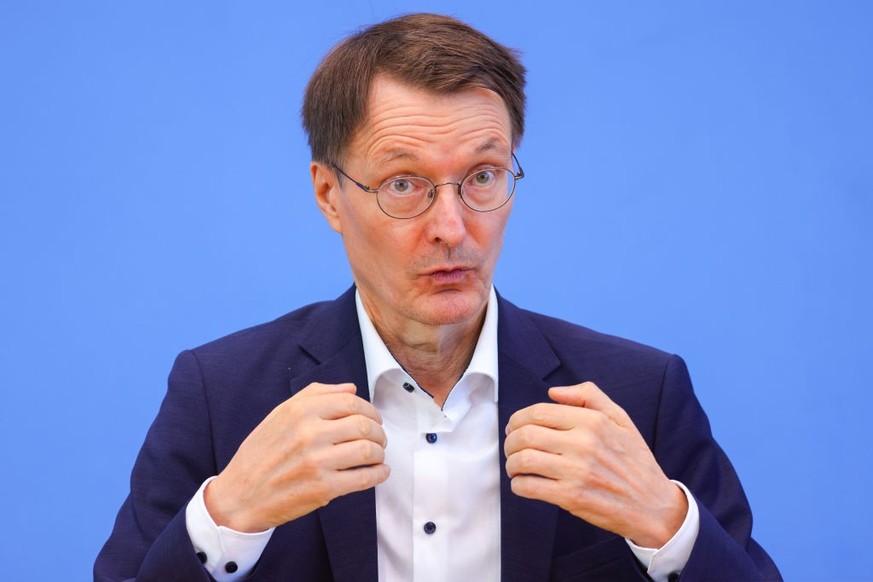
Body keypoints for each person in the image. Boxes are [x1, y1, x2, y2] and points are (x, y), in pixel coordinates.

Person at [95, 13, 780, 582]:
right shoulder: (222, 394)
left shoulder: (638, 393)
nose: (452, 228)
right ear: (329, 195)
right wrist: (226, 517)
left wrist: (664, 523)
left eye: (482, 176)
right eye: (403, 184)